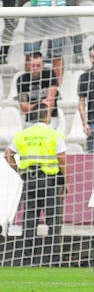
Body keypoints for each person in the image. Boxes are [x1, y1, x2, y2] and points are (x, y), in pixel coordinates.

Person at [4, 104, 67, 266]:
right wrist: (65, 179)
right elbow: (62, 158)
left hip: (29, 180)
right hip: (49, 181)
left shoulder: (22, 135)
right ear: (46, 116)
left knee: (29, 220)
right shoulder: (53, 135)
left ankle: (27, 258)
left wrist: (19, 171)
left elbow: (8, 155)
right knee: (53, 221)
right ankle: (53, 260)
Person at [23, 0, 69, 85]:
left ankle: (56, 89)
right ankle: (30, 87)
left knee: (57, 53)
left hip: (58, 9)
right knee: (30, 53)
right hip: (35, 8)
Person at [17, 52, 60, 130]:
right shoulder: (22, 80)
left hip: (50, 117)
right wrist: (39, 104)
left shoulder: (49, 74)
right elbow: (23, 107)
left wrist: (46, 120)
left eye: (38, 66)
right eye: (33, 66)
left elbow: (50, 102)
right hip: (31, 120)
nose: (35, 68)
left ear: (43, 65)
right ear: (28, 65)